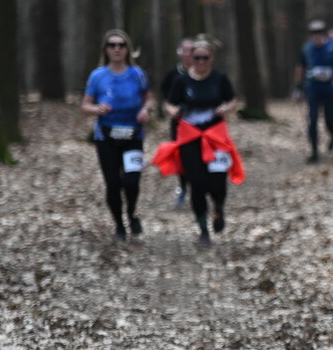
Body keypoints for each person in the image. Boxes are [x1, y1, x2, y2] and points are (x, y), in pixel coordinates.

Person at [153, 39, 244, 247]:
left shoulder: (219, 78)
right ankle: (203, 230)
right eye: (197, 58)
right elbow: (169, 102)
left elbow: (232, 99)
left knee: (218, 183)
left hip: (215, 136)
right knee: (197, 184)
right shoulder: (182, 80)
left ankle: (218, 208)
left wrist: (226, 108)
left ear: (211, 58)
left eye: (205, 57)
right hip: (190, 137)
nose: (201, 61)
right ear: (190, 58)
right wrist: (172, 111)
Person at [81, 29, 154, 241]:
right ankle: (119, 226)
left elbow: (149, 99)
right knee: (113, 183)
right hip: (106, 137)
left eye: (121, 45)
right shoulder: (97, 76)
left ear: (127, 49)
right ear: (105, 49)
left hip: (133, 135)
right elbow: (85, 105)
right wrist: (96, 109)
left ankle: (132, 213)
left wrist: (146, 110)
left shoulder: (137, 74)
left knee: (131, 181)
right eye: (112, 45)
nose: (116, 49)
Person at [294, 20, 333, 162]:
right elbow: (300, 67)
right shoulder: (307, 49)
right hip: (313, 88)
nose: (316, 36)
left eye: (319, 33)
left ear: (323, 34)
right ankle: (314, 150)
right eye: (313, 34)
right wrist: (298, 87)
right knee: (312, 119)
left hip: (329, 88)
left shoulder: (332, 48)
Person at [159, 37, 195, 207]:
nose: (188, 54)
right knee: (181, 156)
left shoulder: (203, 72)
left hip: (200, 124)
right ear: (179, 52)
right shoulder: (173, 74)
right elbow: (166, 99)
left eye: (191, 50)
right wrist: (172, 110)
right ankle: (183, 188)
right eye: (185, 50)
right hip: (179, 123)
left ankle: (200, 188)